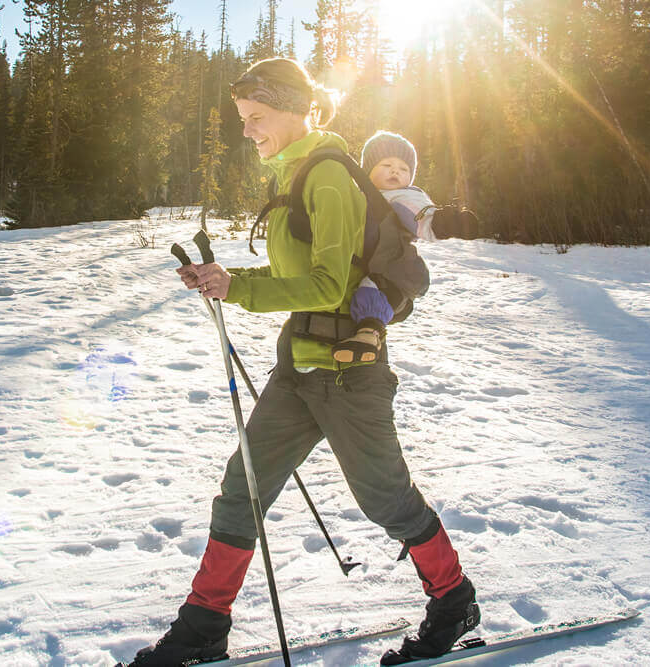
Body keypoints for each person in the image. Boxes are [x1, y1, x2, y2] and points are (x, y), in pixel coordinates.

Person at [122, 58, 480, 667]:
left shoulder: (329, 177)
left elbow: (325, 286)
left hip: (349, 373)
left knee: (387, 500)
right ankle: (204, 625)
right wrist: (224, 278)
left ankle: (453, 600)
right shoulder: (294, 175)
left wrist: (239, 290)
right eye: (242, 119)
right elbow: (298, 278)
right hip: (298, 370)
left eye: (256, 117)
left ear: (293, 108)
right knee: (241, 491)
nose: (247, 130)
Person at [331, 130, 439, 365]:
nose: (395, 171)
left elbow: (421, 216)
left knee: (371, 290)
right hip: (375, 263)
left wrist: (442, 223)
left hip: (394, 268)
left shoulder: (402, 197)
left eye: (404, 169)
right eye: (387, 164)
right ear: (367, 170)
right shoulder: (360, 195)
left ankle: (368, 337)